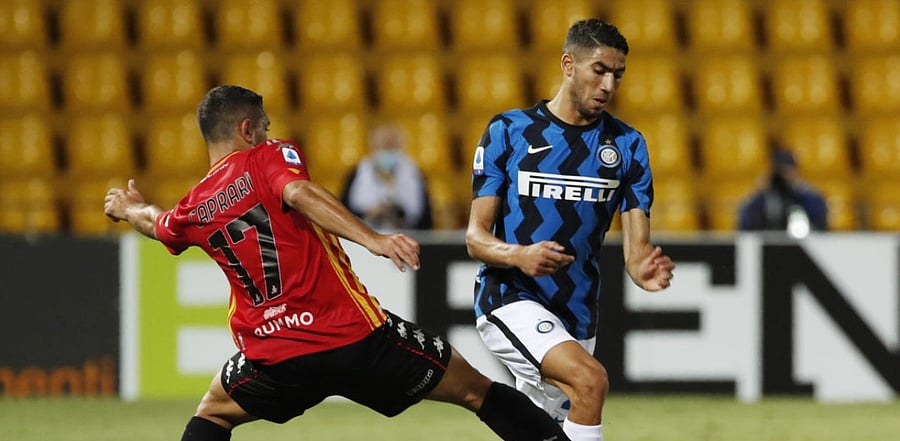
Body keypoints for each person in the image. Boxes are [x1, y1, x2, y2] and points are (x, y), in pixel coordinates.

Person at [104, 85, 570, 441]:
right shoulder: (267, 158)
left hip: (274, 358)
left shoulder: (194, 207)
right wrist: (374, 240)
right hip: (354, 339)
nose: (267, 133)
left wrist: (128, 209)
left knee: (212, 411)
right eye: (263, 127)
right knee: (477, 390)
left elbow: (157, 221)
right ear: (248, 130)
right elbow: (299, 192)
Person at [465, 19, 675, 441]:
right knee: (591, 382)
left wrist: (643, 270)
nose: (609, 84)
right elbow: (476, 238)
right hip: (510, 298)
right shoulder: (510, 131)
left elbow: (636, 252)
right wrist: (519, 256)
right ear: (568, 64)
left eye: (618, 74)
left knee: (543, 432)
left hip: (577, 315)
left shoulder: (628, 146)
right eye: (599, 70)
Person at [340, 123, 433, 230]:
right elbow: (343, 211)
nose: (388, 150)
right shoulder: (357, 172)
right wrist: (368, 213)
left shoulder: (414, 174)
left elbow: (425, 218)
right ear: (373, 146)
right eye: (384, 146)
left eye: (392, 146)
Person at [737, 147, 828, 236]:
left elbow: (821, 224)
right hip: (770, 242)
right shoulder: (764, 197)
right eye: (779, 172)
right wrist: (757, 192)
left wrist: (796, 190)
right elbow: (745, 225)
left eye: (787, 171)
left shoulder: (807, 194)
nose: (783, 176)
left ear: (796, 171)